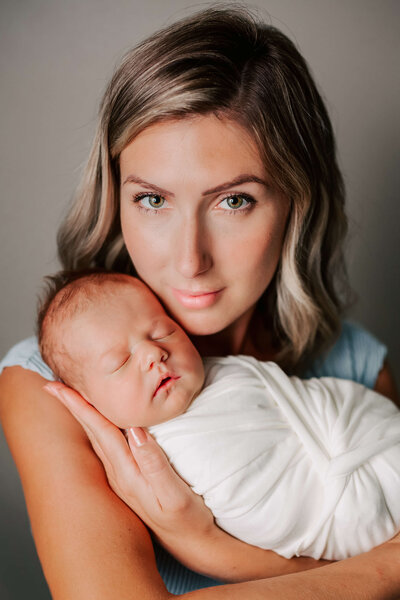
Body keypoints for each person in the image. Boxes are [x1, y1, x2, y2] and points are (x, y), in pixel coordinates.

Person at [0, 7, 399, 599]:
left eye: (233, 201)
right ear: (117, 197)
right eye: (154, 200)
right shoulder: (53, 384)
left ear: (297, 202)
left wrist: (208, 547)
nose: (190, 259)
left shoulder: (355, 365)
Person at [38, 270, 400, 561]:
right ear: (86, 402)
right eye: (119, 362)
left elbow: (319, 406)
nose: (152, 353)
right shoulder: (141, 462)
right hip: (340, 511)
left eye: (163, 331)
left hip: (364, 433)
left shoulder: (229, 373)